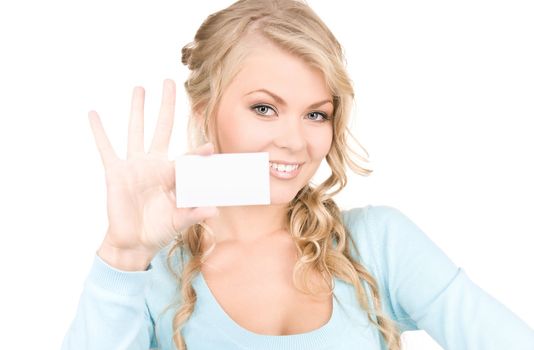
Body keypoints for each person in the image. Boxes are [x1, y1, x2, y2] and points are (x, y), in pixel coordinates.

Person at [61, 0, 534, 349]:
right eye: (265, 108)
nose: (294, 140)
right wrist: (122, 255)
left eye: (316, 114)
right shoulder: (149, 275)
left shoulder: (378, 245)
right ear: (206, 112)